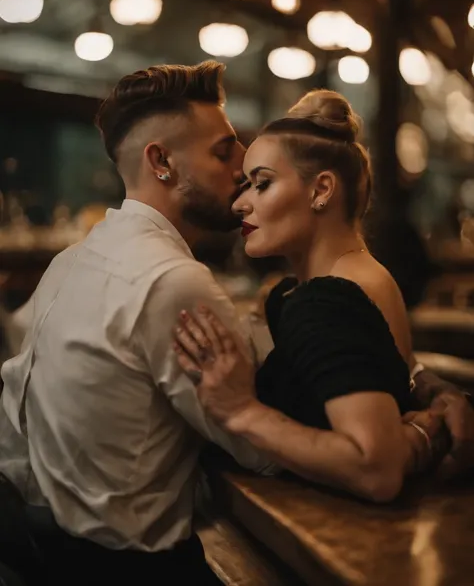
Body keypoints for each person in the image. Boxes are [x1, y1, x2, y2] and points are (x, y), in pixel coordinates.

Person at [0, 65, 471, 584]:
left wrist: (418, 379)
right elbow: (268, 451)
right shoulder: (175, 281)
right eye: (225, 153)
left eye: (257, 177)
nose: (239, 173)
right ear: (161, 162)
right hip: (132, 570)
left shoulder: (73, 259)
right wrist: (421, 428)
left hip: (45, 548)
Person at [174, 88, 474, 498]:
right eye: (245, 186)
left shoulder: (327, 301)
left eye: (262, 184)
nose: (240, 203)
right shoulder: (360, 278)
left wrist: (242, 411)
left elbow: (375, 469)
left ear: (321, 190)